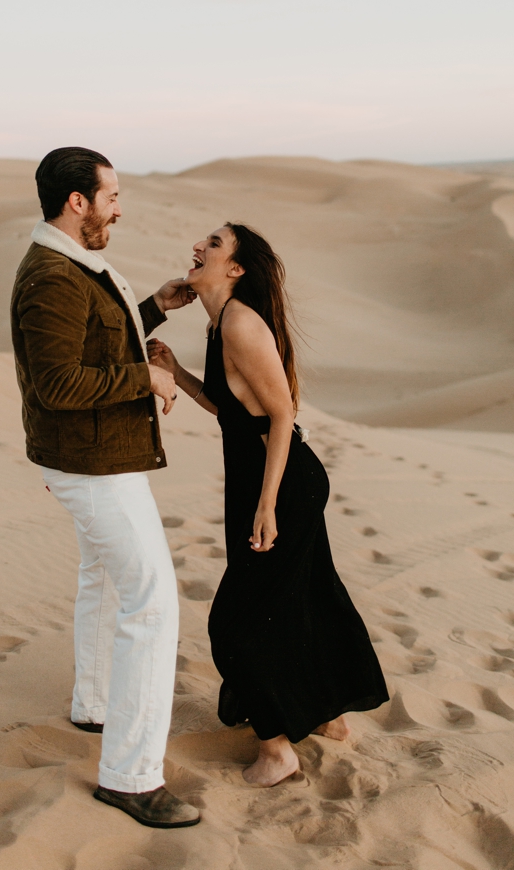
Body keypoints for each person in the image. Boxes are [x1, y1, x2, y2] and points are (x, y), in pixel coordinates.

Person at [148, 223, 388, 785]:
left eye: (213, 244)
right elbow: (236, 410)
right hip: (262, 484)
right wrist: (178, 372)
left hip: (281, 487)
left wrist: (268, 505)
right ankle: (328, 719)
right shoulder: (219, 323)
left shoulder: (240, 323)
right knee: (304, 598)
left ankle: (277, 749)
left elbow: (282, 415)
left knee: (236, 622)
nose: (198, 248)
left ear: (235, 268)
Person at [9, 147, 202, 831]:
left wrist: (153, 308)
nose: (120, 207)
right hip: (90, 465)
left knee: (106, 580)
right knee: (152, 605)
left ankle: (93, 704)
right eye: (112, 195)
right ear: (77, 202)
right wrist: (145, 379)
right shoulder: (53, 277)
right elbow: (59, 383)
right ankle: (131, 777)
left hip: (97, 457)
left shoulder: (72, 265)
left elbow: (92, 346)